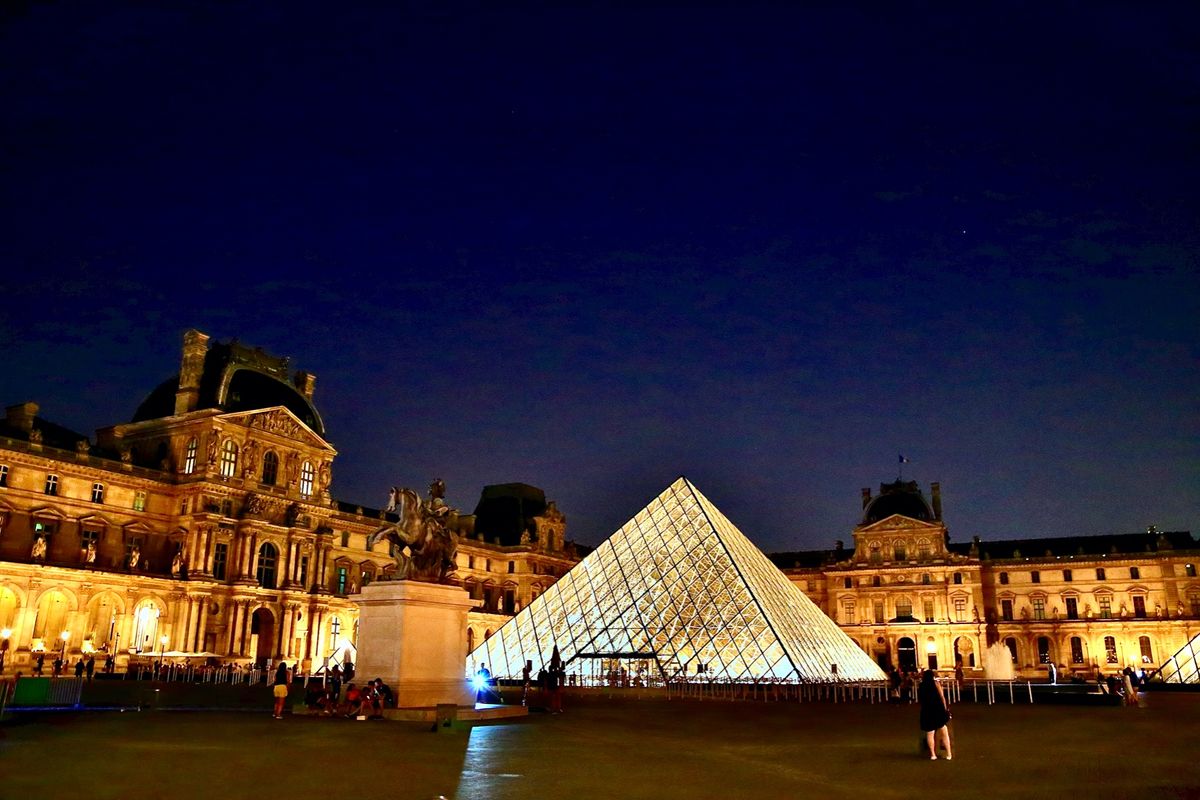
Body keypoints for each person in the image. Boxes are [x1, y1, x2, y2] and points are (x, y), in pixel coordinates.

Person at [917, 670, 952, 760]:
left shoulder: (921, 686)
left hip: (927, 710)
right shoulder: (936, 684)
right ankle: (949, 753)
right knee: (944, 731)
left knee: (930, 733)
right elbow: (942, 697)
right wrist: (945, 709)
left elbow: (920, 700)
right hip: (938, 709)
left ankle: (933, 754)